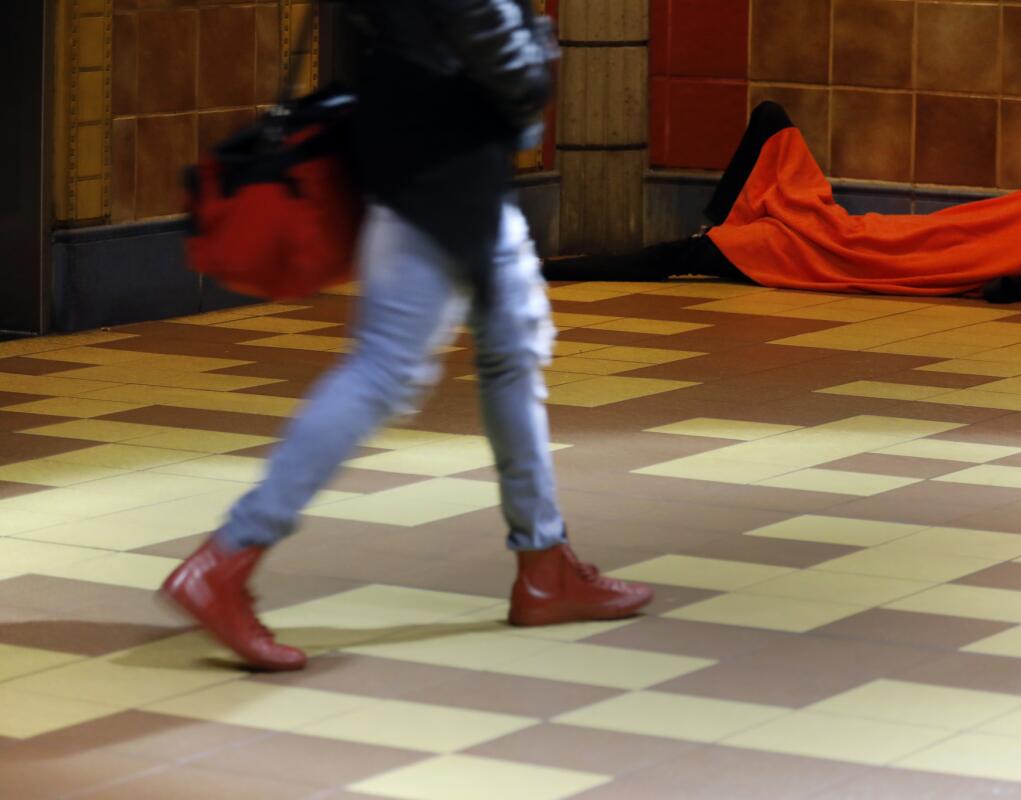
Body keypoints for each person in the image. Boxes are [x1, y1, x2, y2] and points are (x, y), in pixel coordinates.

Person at [161, 0, 653, 672]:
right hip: (440, 160)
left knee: (513, 346)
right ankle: (225, 561)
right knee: (384, 370)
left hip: (435, 143)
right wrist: (533, 65)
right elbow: (485, 28)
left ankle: (546, 567)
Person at [546, 102, 1021, 304]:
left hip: (811, 245)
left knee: (670, 258)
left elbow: (999, 288)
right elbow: (993, 280)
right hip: (835, 233)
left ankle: (555, 268)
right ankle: (718, 225)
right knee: (677, 254)